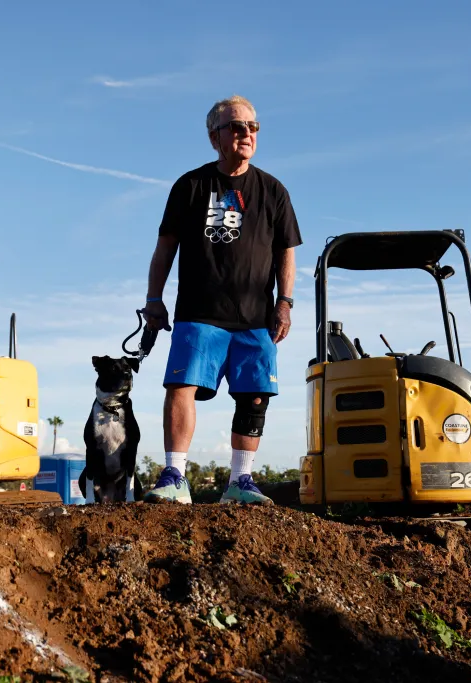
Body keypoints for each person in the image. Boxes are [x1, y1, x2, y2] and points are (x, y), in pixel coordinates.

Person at [140, 94, 302, 505]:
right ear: (215, 137)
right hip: (199, 312)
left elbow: (286, 250)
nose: (246, 133)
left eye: (253, 127)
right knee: (181, 385)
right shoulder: (190, 185)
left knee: (255, 395)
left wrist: (285, 302)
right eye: (236, 126)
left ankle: (240, 482)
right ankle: (175, 475)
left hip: (255, 317)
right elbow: (165, 249)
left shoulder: (273, 191)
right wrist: (154, 299)